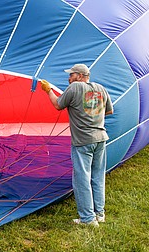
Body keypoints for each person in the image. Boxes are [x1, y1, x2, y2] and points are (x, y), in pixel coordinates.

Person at [40, 64, 113, 226]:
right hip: (100, 139)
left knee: (82, 179)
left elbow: (58, 105)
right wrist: (90, 113)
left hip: (83, 141)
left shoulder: (74, 88)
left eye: (71, 75)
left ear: (80, 76)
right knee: (98, 176)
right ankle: (99, 214)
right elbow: (108, 111)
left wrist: (48, 90)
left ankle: (87, 219)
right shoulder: (100, 88)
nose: (69, 78)